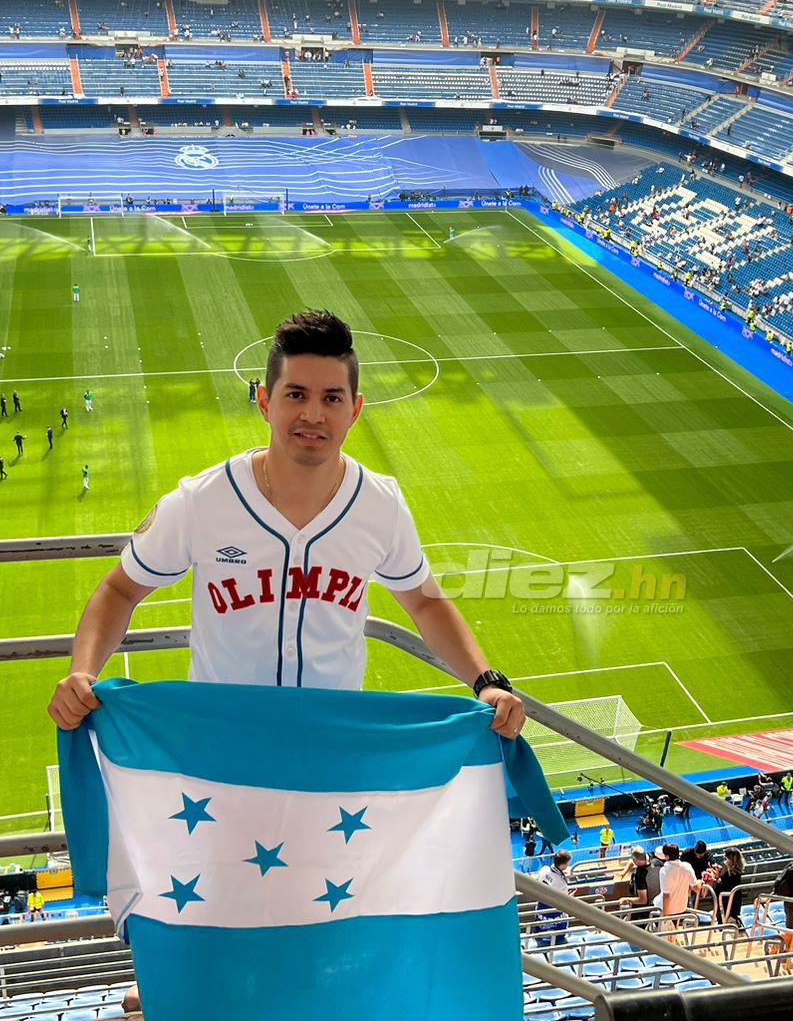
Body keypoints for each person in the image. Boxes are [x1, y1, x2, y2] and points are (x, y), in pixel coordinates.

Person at [48, 311, 524, 739]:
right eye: (296, 394)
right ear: (265, 401)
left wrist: (486, 681)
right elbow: (119, 590)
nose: (313, 415)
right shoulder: (202, 500)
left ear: (355, 409)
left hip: (331, 743)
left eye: (332, 398)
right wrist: (83, 672)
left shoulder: (381, 503)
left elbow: (423, 601)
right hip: (220, 739)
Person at [532, 850, 573, 950]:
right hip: (554, 912)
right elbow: (565, 900)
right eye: (567, 863)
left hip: (541, 907)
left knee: (541, 933)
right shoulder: (561, 883)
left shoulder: (544, 869)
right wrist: (571, 895)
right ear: (563, 864)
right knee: (557, 937)